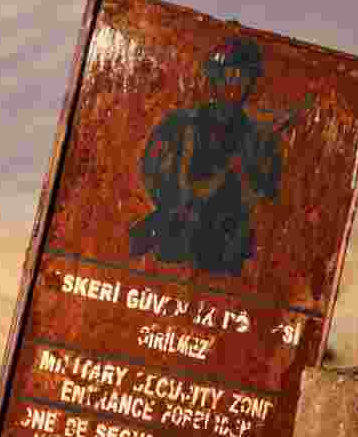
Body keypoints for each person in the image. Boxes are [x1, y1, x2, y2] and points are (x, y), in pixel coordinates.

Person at [129, 37, 307, 275]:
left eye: (242, 77)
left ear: (251, 83)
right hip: (173, 245)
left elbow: (265, 194)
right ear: (214, 78)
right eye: (228, 75)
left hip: (224, 251)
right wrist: (178, 205)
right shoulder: (180, 125)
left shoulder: (256, 139)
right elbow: (152, 171)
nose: (234, 84)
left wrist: (244, 169)